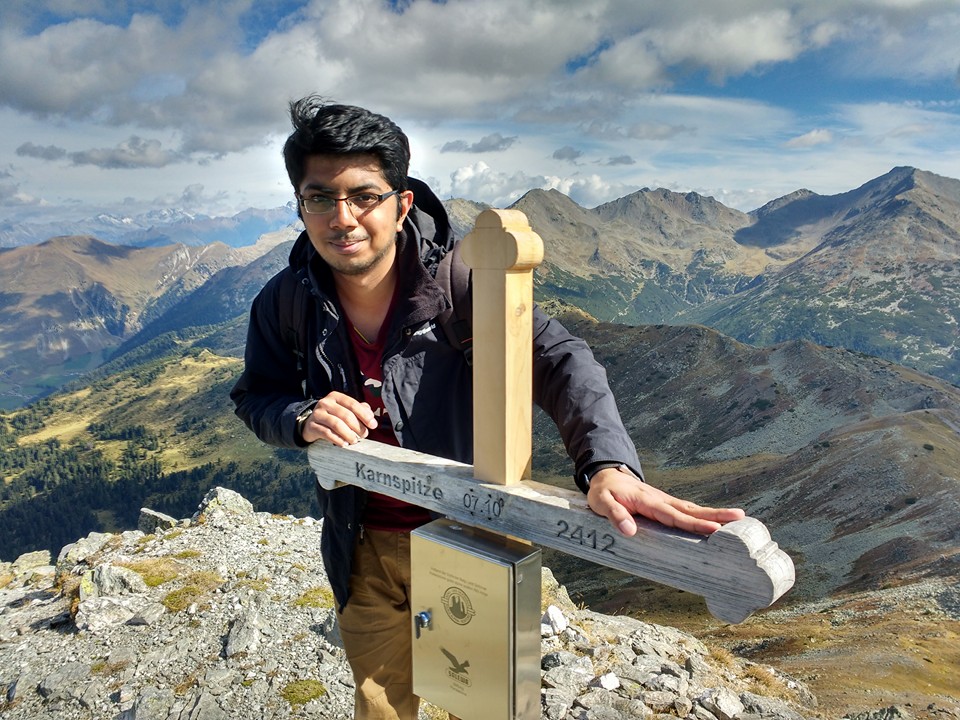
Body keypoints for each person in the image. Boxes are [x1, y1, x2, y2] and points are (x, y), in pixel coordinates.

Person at [231, 96, 745, 720]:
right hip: (359, 547)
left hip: (467, 538)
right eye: (320, 198)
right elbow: (257, 395)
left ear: (401, 203)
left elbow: (560, 358)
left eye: (364, 195)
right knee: (380, 705)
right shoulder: (285, 302)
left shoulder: (460, 286)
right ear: (300, 206)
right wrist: (300, 416)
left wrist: (608, 463)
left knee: (484, 703)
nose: (343, 218)